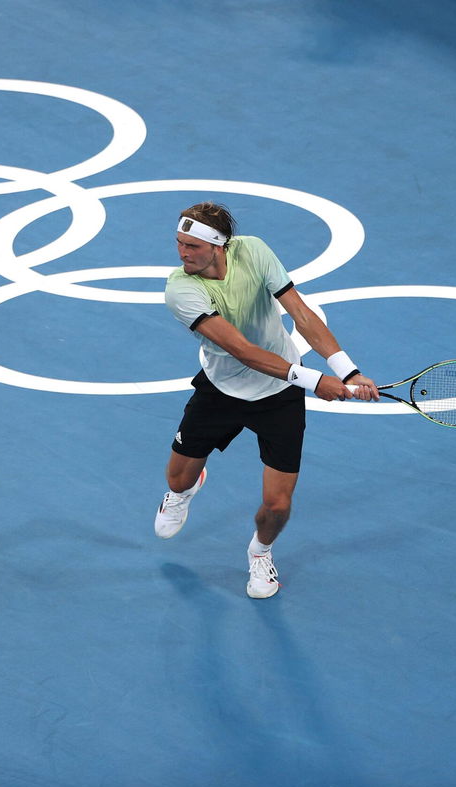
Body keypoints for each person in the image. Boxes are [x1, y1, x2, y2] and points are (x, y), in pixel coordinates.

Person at [156, 202, 379, 598]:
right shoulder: (180, 289)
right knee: (178, 477)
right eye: (179, 243)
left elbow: (302, 315)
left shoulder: (254, 251)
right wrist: (314, 380)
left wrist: (348, 371)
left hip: (279, 396)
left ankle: (260, 553)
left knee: (277, 505)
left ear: (219, 246)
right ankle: (183, 492)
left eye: (192, 245)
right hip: (221, 390)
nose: (182, 253)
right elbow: (242, 350)